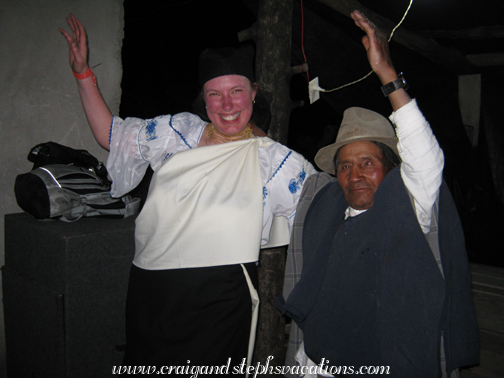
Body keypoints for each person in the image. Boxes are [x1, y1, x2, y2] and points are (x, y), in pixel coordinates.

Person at [60, 14, 316, 372]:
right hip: (152, 287)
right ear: (204, 99)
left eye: (236, 92)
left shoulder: (275, 161)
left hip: (221, 296)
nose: (227, 105)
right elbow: (113, 136)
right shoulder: (177, 132)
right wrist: (83, 74)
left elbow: (320, 211)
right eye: (215, 94)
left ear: (253, 93)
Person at [278, 10, 479, 378]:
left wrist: (388, 75)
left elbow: (426, 157)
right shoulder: (324, 208)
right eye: (344, 166)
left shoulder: (407, 203)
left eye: (367, 162)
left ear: (390, 167)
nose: (354, 175)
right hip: (318, 364)